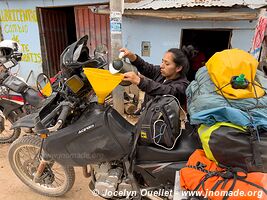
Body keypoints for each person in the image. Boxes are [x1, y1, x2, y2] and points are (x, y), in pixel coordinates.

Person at [121, 46, 194, 113]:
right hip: (147, 116)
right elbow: (147, 67)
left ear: (178, 68)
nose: (161, 66)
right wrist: (132, 56)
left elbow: (163, 90)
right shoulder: (160, 73)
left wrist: (139, 81)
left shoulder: (182, 86)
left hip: (161, 124)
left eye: (167, 64)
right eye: (162, 61)